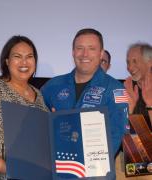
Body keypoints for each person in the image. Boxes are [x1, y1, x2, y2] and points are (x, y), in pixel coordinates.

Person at [41, 28, 129, 158]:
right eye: (79, 48)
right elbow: (36, 122)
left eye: (91, 48)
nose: (85, 54)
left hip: (95, 173)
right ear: (73, 52)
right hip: (56, 169)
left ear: (100, 53)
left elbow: (117, 135)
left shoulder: (117, 90)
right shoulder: (52, 86)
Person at [0, 35, 48, 179]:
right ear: (7, 61)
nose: (24, 62)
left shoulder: (38, 95)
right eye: (17, 56)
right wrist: (7, 169)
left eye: (29, 56)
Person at [116, 43, 152, 180]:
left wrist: (150, 105)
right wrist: (129, 110)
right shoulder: (127, 87)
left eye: (135, 61)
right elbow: (120, 131)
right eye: (128, 62)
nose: (130, 67)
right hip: (131, 156)